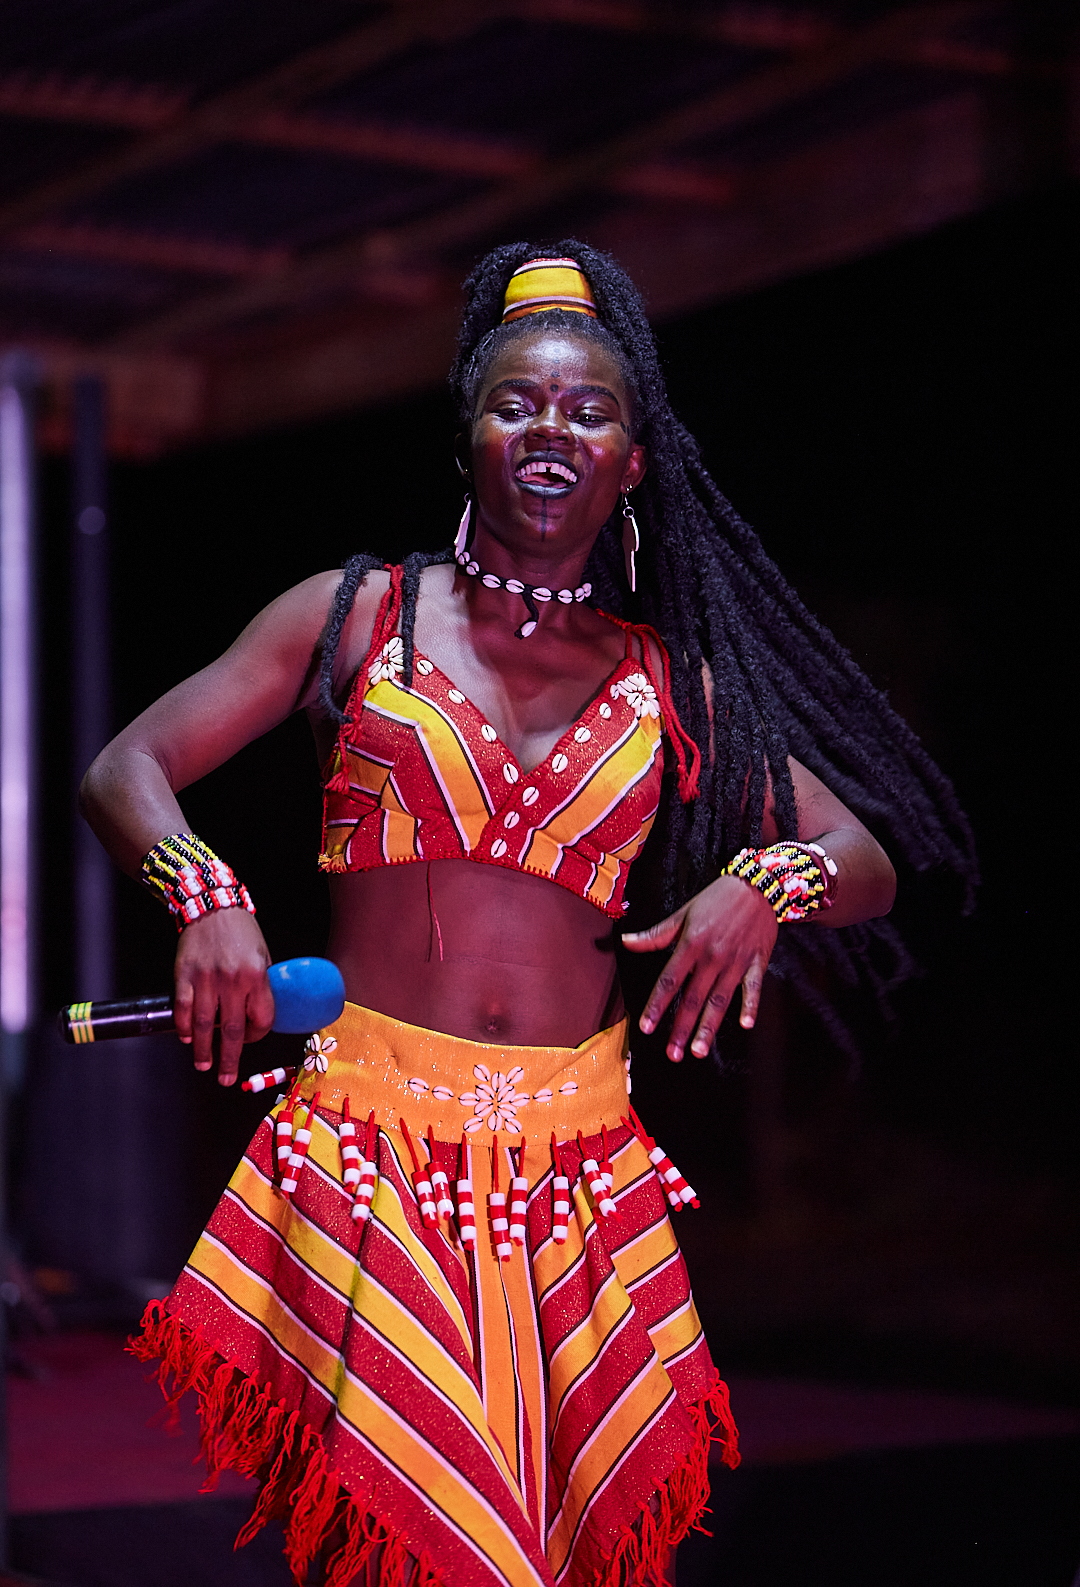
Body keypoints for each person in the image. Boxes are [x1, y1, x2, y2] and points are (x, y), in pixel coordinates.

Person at [82, 244, 974, 1587]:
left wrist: (763, 881)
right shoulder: (358, 616)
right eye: (517, 404)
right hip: (373, 1144)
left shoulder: (671, 681)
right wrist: (203, 895)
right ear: (469, 439)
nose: (551, 428)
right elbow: (126, 770)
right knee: (422, 1543)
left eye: (588, 411)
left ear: (633, 464)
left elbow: (865, 857)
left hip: (577, 1166)